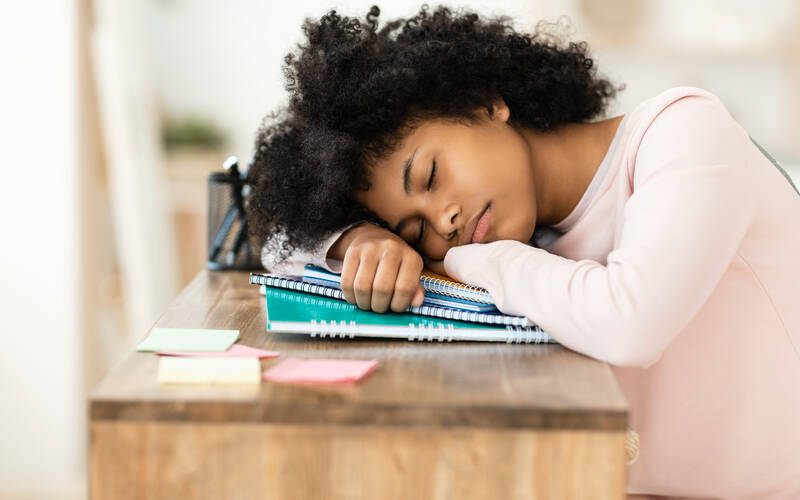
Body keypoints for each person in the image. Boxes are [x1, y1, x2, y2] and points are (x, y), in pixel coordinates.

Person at [247, 5, 800, 499]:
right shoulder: (532, 234)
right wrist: (357, 239)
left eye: (431, 175)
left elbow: (629, 324)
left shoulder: (683, 133)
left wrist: (470, 259)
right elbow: (276, 247)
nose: (442, 223)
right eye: (414, 232)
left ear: (483, 104)